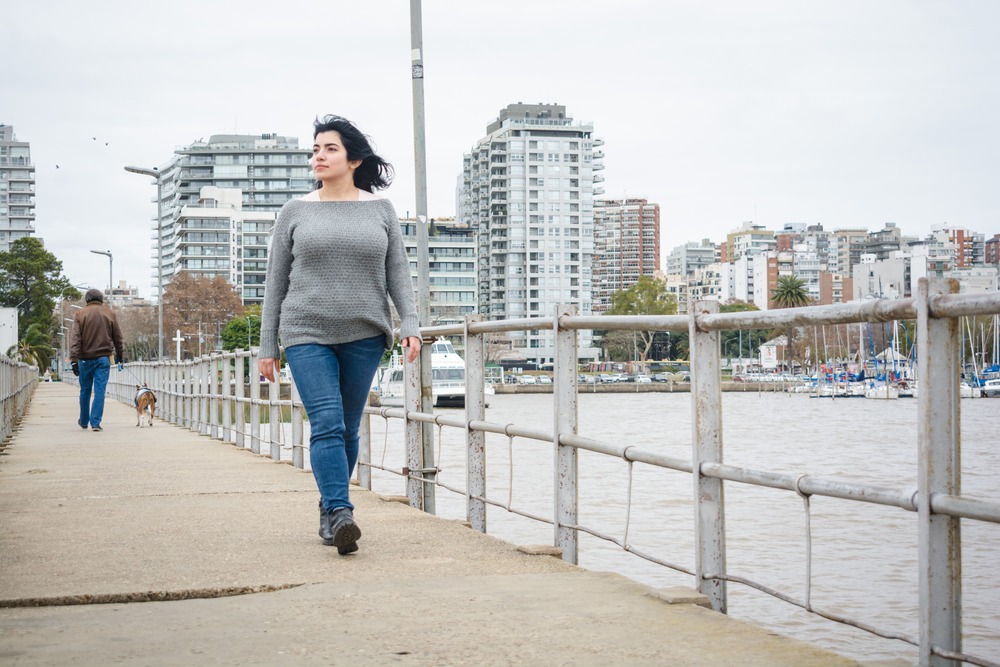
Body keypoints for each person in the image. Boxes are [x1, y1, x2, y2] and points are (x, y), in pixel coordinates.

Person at [259, 115, 421, 556]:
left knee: (348, 428)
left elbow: (398, 274)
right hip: (305, 330)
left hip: (364, 332)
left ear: (354, 159)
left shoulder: (380, 210)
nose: (319, 156)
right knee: (327, 422)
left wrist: (410, 324)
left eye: (329, 148)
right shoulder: (295, 211)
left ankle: (330, 509)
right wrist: (266, 345)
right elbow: (275, 283)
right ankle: (341, 511)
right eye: (315, 149)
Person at [69, 288, 125, 432]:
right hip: (103, 359)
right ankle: (95, 423)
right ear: (101, 300)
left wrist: (74, 359)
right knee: (100, 391)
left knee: (85, 391)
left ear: (87, 300)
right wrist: (120, 355)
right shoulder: (109, 313)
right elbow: (118, 337)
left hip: (84, 360)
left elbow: (76, 338)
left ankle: (83, 421)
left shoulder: (80, 314)